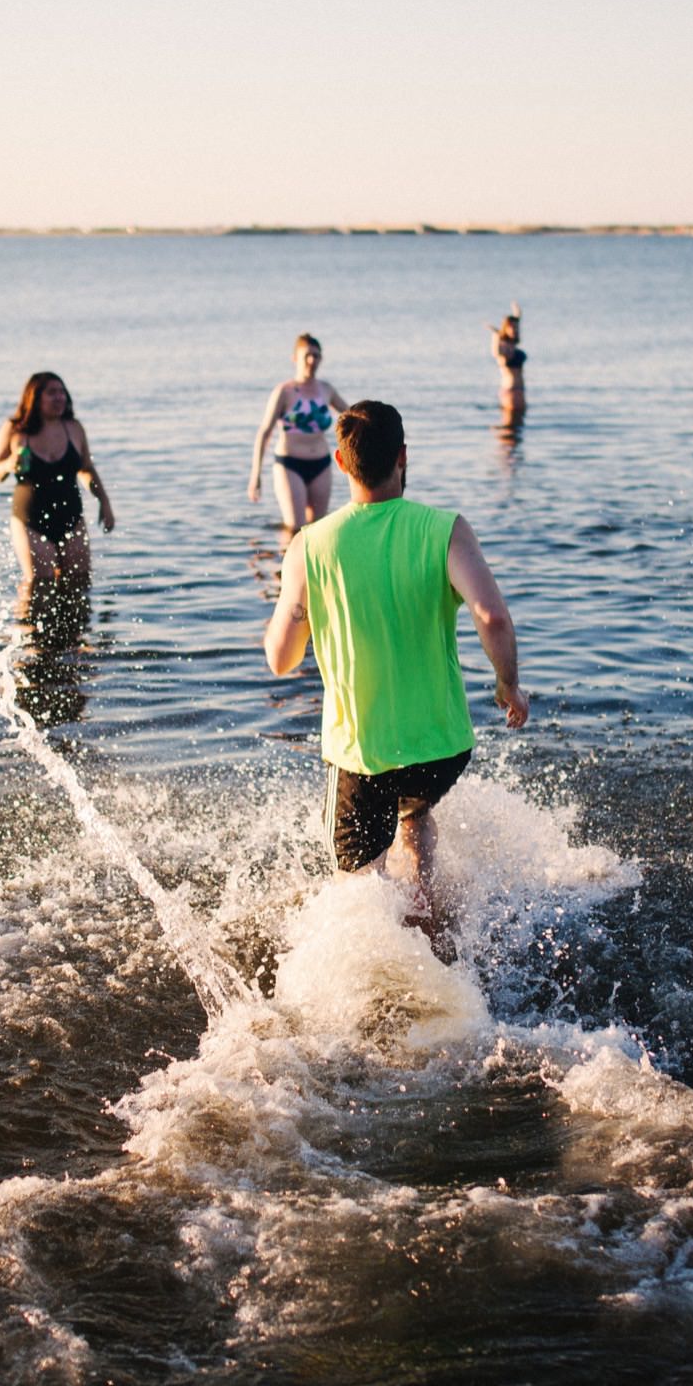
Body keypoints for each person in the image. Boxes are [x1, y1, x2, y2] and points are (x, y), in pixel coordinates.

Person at [262, 401, 527, 960]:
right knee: (413, 805)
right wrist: (508, 685)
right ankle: (430, 919)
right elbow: (493, 615)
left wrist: (299, 611)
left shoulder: (311, 545)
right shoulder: (444, 529)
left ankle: (384, 966)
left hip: (364, 752)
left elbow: (281, 660)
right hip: (443, 750)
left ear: (339, 461)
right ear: (403, 457)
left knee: (357, 891)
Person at [0, 372, 115, 585]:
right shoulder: (15, 429)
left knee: (79, 583)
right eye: (52, 393)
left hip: (71, 516)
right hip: (30, 520)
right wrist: (9, 465)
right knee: (38, 585)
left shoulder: (73, 427)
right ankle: (22, 619)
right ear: (35, 398)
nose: (59, 398)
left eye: (62, 392)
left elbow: (86, 469)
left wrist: (105, 502)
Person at [246, 334, 350, 535]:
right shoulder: (284, 392)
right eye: (307, 355)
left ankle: (314, 567)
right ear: (295, 358)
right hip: (290, 464)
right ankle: (285, 564)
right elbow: (264, 433)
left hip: (321, 464)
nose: (312, 361)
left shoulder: (325, 390)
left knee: (318, 530)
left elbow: (351, 416)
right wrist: (255, 475)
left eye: (317, 356)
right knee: (295, 528)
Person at [488, 303, 526, 423]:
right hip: (511, 391)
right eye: (512, 327)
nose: (515, 330)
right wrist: (495, 336)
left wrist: (517, 312)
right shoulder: (503, 347)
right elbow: (496, 353)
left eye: (516, 327)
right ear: (506, 328)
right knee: (511, 431)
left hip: (518, 390)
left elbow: (516, 320)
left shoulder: (512, 344)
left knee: (518, 427)